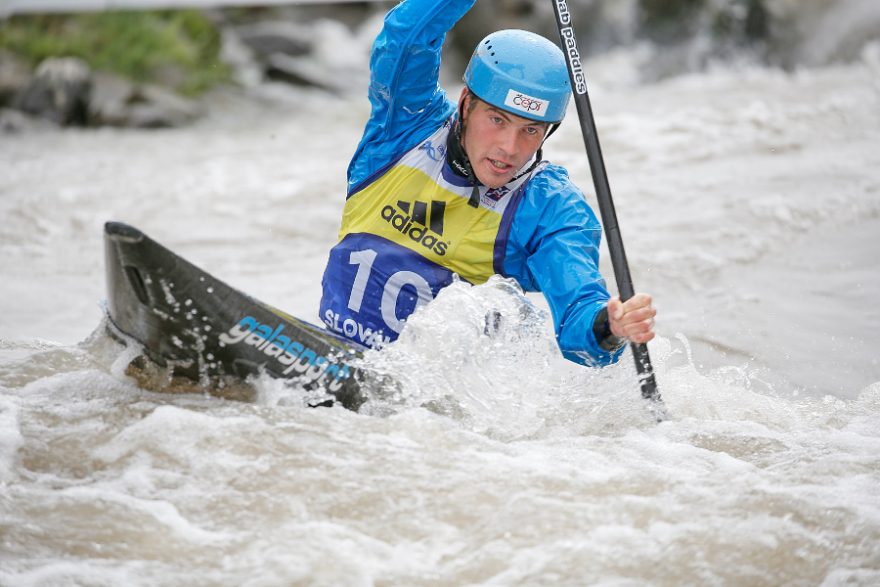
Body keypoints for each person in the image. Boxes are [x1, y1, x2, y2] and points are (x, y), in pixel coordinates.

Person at [319, 0, 655, 367]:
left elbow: (579, 322)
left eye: (530, 130)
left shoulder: (548, 207)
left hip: (435, 397)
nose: (509, 149)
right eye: (497, 120)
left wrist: (609, 326)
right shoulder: (404, 127)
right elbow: (406, 36)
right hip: (341, 351)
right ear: (465, 104)